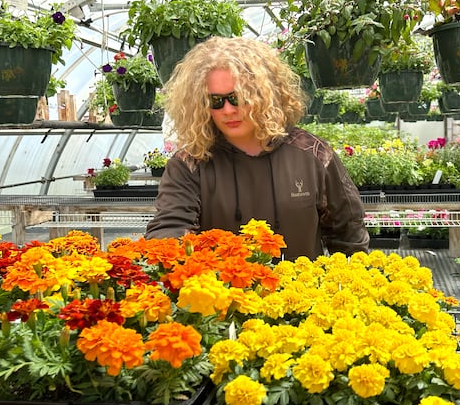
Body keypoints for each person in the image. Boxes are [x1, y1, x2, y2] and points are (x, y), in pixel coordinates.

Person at [144, 36, 369, 260]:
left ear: (264, 95)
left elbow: (349, 234)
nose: (228, 110)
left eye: (237, 98)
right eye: (216, 101)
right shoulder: (190, 164)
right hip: (221, 294)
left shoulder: (313, 154)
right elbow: (169, 227)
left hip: (300, 294)